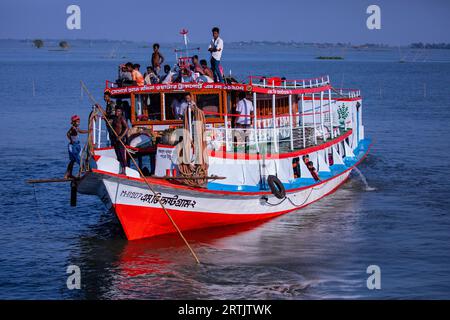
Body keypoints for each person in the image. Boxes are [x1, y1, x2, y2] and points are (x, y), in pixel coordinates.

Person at [110, 106, 129, 175]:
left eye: (118, 111)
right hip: (115, 139)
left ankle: (124, 170)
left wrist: (121, 136)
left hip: (121, 140)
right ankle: (120, 169)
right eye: (116, 111)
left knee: (122, 155)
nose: (116, 113)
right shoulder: (115, 118)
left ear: (121, 112)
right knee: (118, 155)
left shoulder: (122, 118)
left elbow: (126, 128)